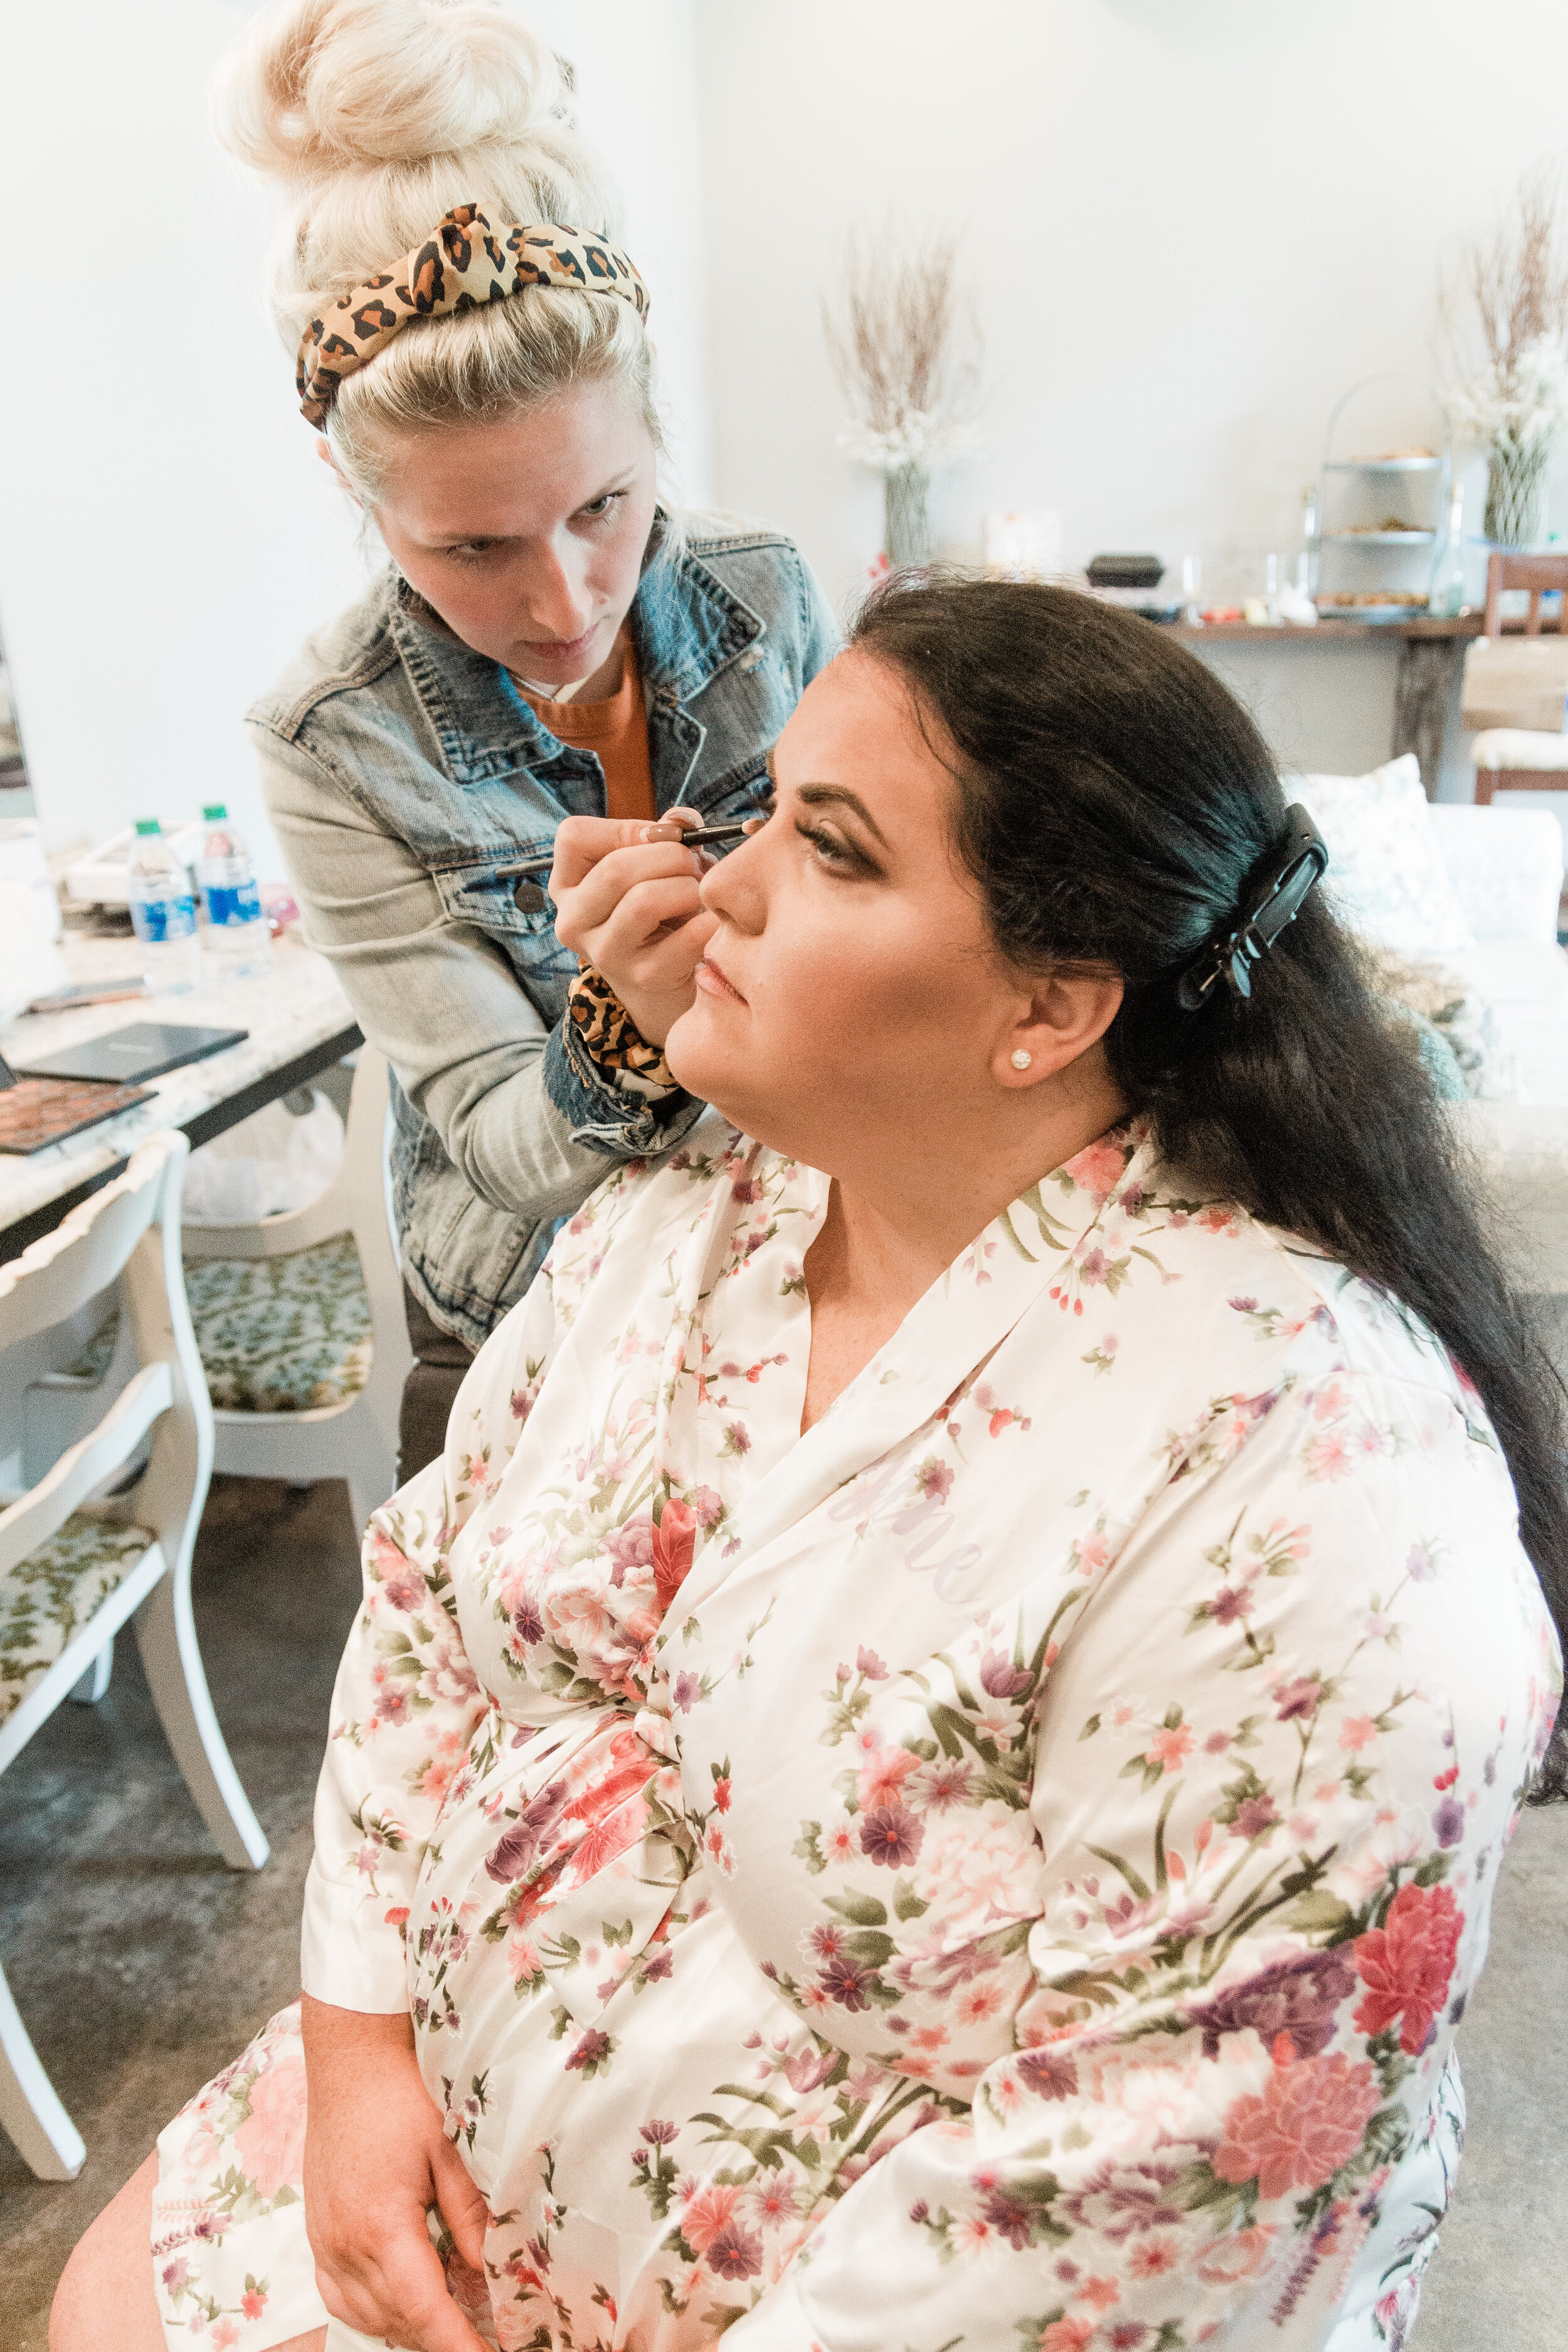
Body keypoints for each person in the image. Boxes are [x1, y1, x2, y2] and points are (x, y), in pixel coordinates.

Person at [56, 578, 1565, 2352]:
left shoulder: (1312, 1495)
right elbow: (429, 1596)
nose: (720, 884)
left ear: (1047, 1003)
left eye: (831, 849)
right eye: (762, 806)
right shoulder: (708, 1199)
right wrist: (356, 2037)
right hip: (443, 2115)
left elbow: (1163, 2194)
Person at [215, 0, 837, 1472]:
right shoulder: (333, 741)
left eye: (601, 507)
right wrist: (626, 1023)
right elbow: (499, 1144)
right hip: (530, 1295)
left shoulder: (763, 596)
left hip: (803, 1210)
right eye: (474, 547)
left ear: (653, 427)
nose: (565, 603)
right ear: (357, 496)